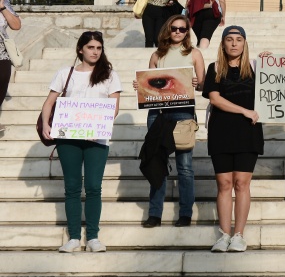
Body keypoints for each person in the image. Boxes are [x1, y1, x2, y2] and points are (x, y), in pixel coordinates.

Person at [39, 31, 122, 253]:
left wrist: (100, 126)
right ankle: (74, 236)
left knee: (94, 187)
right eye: (91, 47)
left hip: (97, 138)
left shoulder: (110, 75)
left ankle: (93, 236)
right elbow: (49, 102)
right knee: (72, 187)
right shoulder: (65, 73)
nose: (95, 51)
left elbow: (114, 107)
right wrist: (46, 124)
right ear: (80, 49)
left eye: (99, 47)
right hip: (68, 138)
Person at [134, 15, 205, 229]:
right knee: (157, 163)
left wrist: (197, 83)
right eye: (174, 28)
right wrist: (141, 86)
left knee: (185, 167)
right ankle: (155, 213)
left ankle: (185, 213)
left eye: (182, 29)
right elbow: (150, 84)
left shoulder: (195, 54)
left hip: (183, 111)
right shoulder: (157, 55)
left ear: (187, 32)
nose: (177, 32)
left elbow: (202, 85)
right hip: (158, 112)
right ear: (168, 29)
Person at [203, 26, 262, 252]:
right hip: (221, 132)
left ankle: (239, 234)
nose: (234, 43)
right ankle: (224, 234)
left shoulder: (257, 68)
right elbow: (215, 99)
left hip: (248, 132)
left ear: (244, 43)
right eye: (229, 39)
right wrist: (243, 110)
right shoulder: (215, 68)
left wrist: (270, 61)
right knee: (224, 184)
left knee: (242, 183)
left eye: (239, 39)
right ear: (223, 44)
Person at [0, 0, 22, 134]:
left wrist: (2, 7)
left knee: (2, 82)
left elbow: (16, 25)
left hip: (2, 53)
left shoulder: (4, 2)